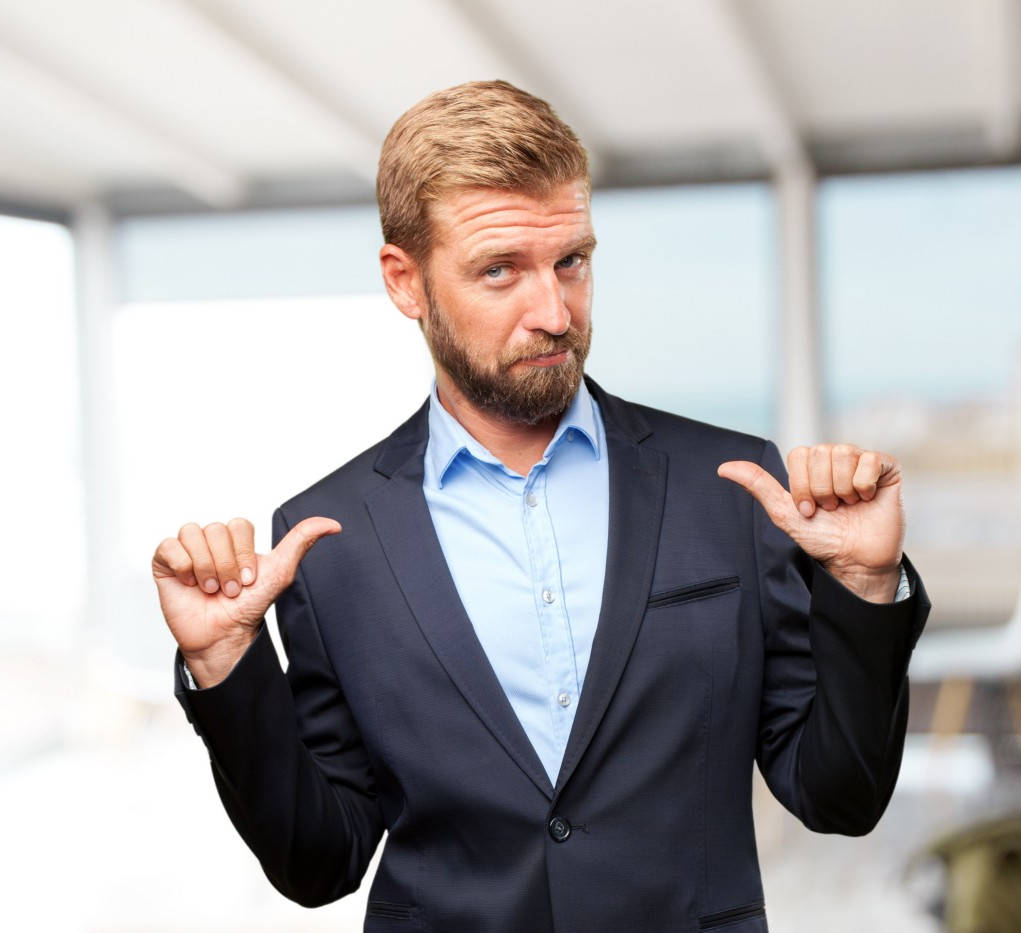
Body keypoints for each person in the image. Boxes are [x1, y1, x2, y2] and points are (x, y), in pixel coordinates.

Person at [152, 80, 930, 932]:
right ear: (405, 281)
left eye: (572, 261)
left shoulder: (734, 486)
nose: (555, 312)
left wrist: (862, 584)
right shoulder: (328, 537)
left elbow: (839, 796)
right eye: (500, 271)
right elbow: (318, 859)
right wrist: (229, 665)